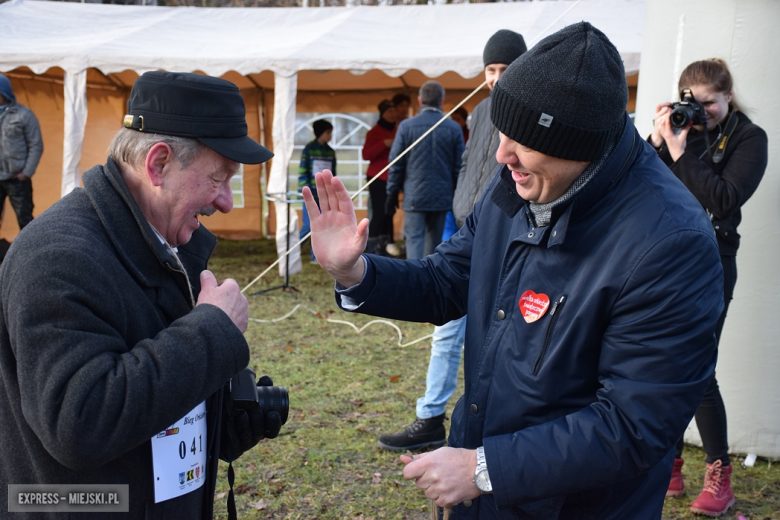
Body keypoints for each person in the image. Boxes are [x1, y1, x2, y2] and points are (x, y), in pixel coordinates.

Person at [305, 22, 723, 519]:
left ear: (581, 145)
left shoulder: (670, 242)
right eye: (504, 132)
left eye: (522, 140)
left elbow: (635, 424)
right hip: (483, 492)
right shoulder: (516, 187)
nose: (502, 154)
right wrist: (356, 273)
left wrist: (487, 469)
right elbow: (446, 280)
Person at [0, 71, 281, 519]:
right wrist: (212, 331)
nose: (226, 202)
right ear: (158, 164)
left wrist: (225, 421)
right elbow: (79, 422)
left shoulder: (165, 240)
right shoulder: (56, 257)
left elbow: (152, 392)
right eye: (219, 179)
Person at [377, 29, 526, 453]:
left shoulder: (530, 114)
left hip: (504, 239)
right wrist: (462, 208)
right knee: (447, 329)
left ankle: (490, 432)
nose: (497, 77)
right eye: (491, 69)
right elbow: (467, 164)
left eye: (505, 68)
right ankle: (430, 417)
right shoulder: (478, 112)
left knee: (495, 340)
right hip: (464, 229)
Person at [651, 58, 768, 517]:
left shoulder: (749, 138)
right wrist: (659, 141)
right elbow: (640, 183)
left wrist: (680, 153)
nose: (701, 113)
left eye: (709, 104)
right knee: (663, 363)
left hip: (713, 263)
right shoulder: (680, 130)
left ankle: (719, 477)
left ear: (728, 97)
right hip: (665, 259)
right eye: (691, 104)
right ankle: (671, 465)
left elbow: (723, 198)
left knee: (699, 370)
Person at [385, 81, 464, 260]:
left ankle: (413, 283)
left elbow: (396, 164)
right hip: (442, 196)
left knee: (414, 240)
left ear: (420, 101)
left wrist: (391, 193)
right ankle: (430, 284)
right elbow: (459, 167)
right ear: (442, 101)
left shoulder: (406, 126)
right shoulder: (454, 128)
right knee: (434, 244)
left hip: (414, 195)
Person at [0, 72, 43, 231]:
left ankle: (30, 255)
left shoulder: (24, 115)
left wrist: (26, 172)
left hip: (17, 178)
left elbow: (36, 144)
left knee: (25, 222)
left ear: (3, 92)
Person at [298, 119, 336, 263]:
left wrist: (332, 192)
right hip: (310, 196)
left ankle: (316, 256)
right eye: (328, 133)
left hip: (324, 196)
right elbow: (302, 171)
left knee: (322, 226)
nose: (330, 136)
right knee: (308, 226)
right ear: (320, 133)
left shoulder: (331, 152)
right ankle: (293, 252)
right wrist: (305, 190)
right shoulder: (308, 149)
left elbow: (333, 174)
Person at [363, 99, 397, 256]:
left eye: (394, 111)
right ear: (382, 113)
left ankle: (387, 245)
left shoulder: (398, 129)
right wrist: (384, 143)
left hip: (393, 178)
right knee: (379, 213)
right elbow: (366, 154)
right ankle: (372, 246)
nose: (392, 114)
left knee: (389, 212)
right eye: (389, 111)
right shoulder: (374, 132)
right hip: (377, 178)